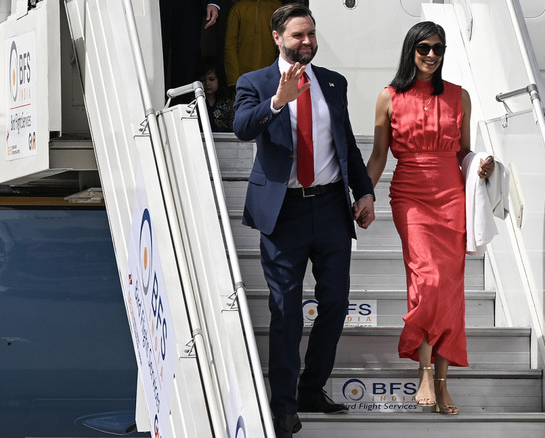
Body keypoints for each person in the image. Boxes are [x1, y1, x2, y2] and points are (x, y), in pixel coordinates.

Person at [232, 4, 375, 438]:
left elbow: (345, 142)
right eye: (298, 35)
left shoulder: (333, 81)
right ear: (278, 37)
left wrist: (364, 189)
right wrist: (278, 101)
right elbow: (240, 127)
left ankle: (312, 388)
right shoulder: (254, 82)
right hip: (284, 211)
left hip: (331, 207)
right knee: (285, 311)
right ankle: (284, 406)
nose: (307, 42)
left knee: (334, 303)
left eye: (311, 34)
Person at [366, 21, 494, 416]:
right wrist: (362, 193)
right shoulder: (388, 97)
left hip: (450, 196)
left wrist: (481, 165)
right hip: (410, 196)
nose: (432, 55)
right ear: (411, 50)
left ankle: (442, 383)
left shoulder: (460, 96)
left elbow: (464, 154)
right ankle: (424, 373)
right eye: (424, 48)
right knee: (429, 280)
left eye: (438, 48)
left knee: (451, 290)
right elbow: (378, 157)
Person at [160, 0, 220, 96]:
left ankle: (183, 107)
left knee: (186, 62)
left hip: (190, 5)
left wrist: (212, 2)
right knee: (155, 58)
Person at [224, 0, 282, 89]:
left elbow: (284, 44)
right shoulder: (238, 8)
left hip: (271, 76)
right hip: (243, 77)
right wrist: (234, 79)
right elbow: (230, 45)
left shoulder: (277, 8)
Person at [198, 56, 234, 132]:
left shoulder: (229, 105)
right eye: (203, 80)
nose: (207, 83)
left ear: (219, 79)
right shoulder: (194, 105)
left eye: (211, 79)